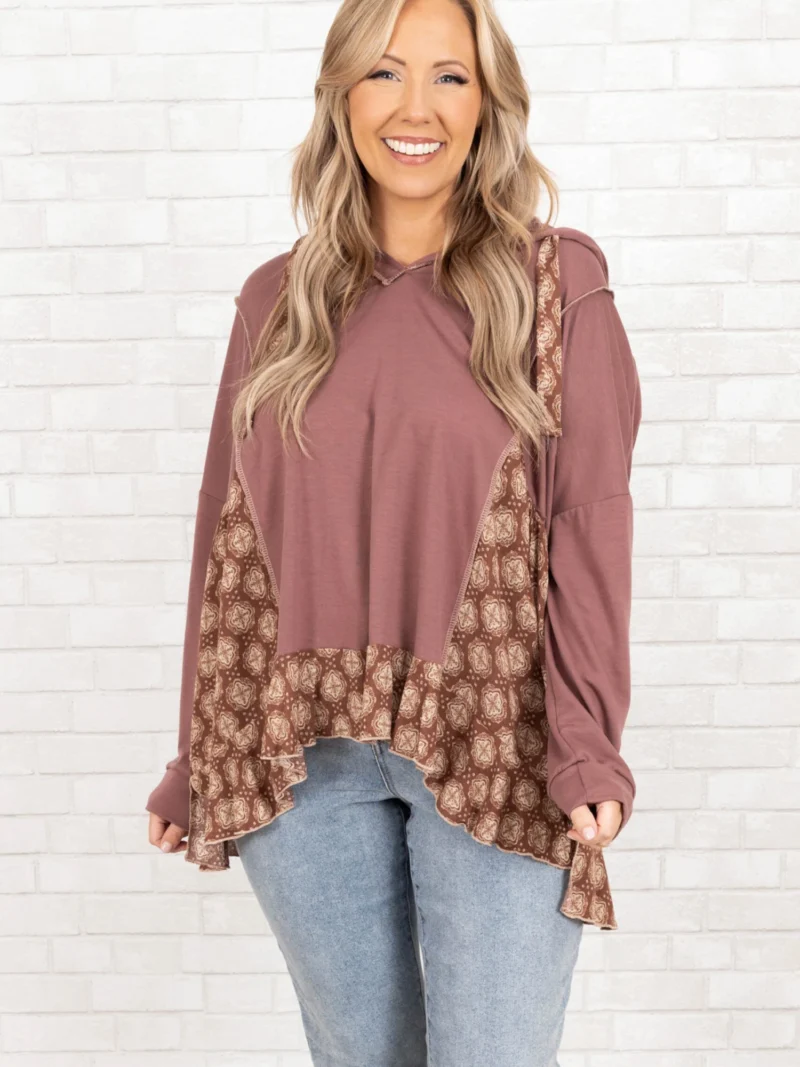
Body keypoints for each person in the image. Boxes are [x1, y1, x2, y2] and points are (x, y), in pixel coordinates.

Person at [145, 0, 643, 1063]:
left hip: (497, 741)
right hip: (301, 758)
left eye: (449, 76)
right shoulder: (274, 302)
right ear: (341, 96)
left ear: (488, 103)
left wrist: (586, 740)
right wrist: (192, 756)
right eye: (383, 73)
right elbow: (224, 541)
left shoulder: (556, 285)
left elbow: (588, 525)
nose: (415, 107)